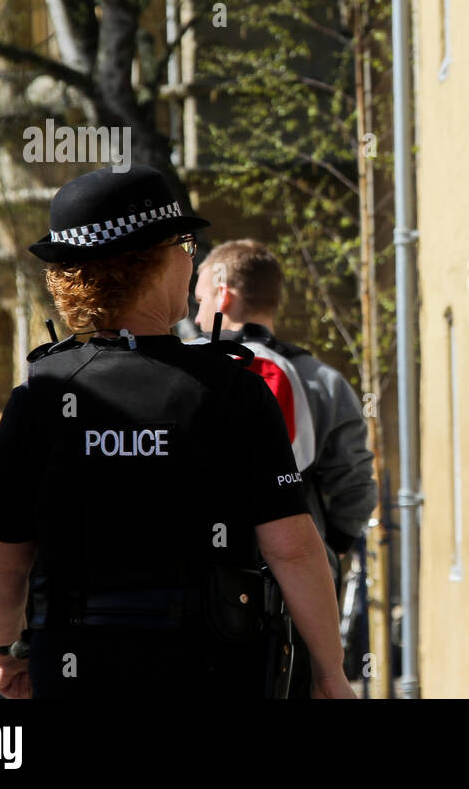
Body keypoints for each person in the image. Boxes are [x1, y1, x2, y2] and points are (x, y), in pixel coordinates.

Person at [0, 164, 353, 699]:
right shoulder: (234, 390)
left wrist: (5, 651)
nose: (190, 256)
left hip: (79, 665)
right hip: (211, 666)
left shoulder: (37, 397)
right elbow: (293, 549)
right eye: (184, 243)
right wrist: (330, 671)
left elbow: (2, 557)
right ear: (156, 260)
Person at [191, 239, 376, 697]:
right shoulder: (326, 383)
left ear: (223, 294)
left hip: (202, 582)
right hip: (299, 592)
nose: (195, 318)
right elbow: (355, 487)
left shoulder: (183, 371)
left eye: (198, 301)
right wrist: (327, 549)